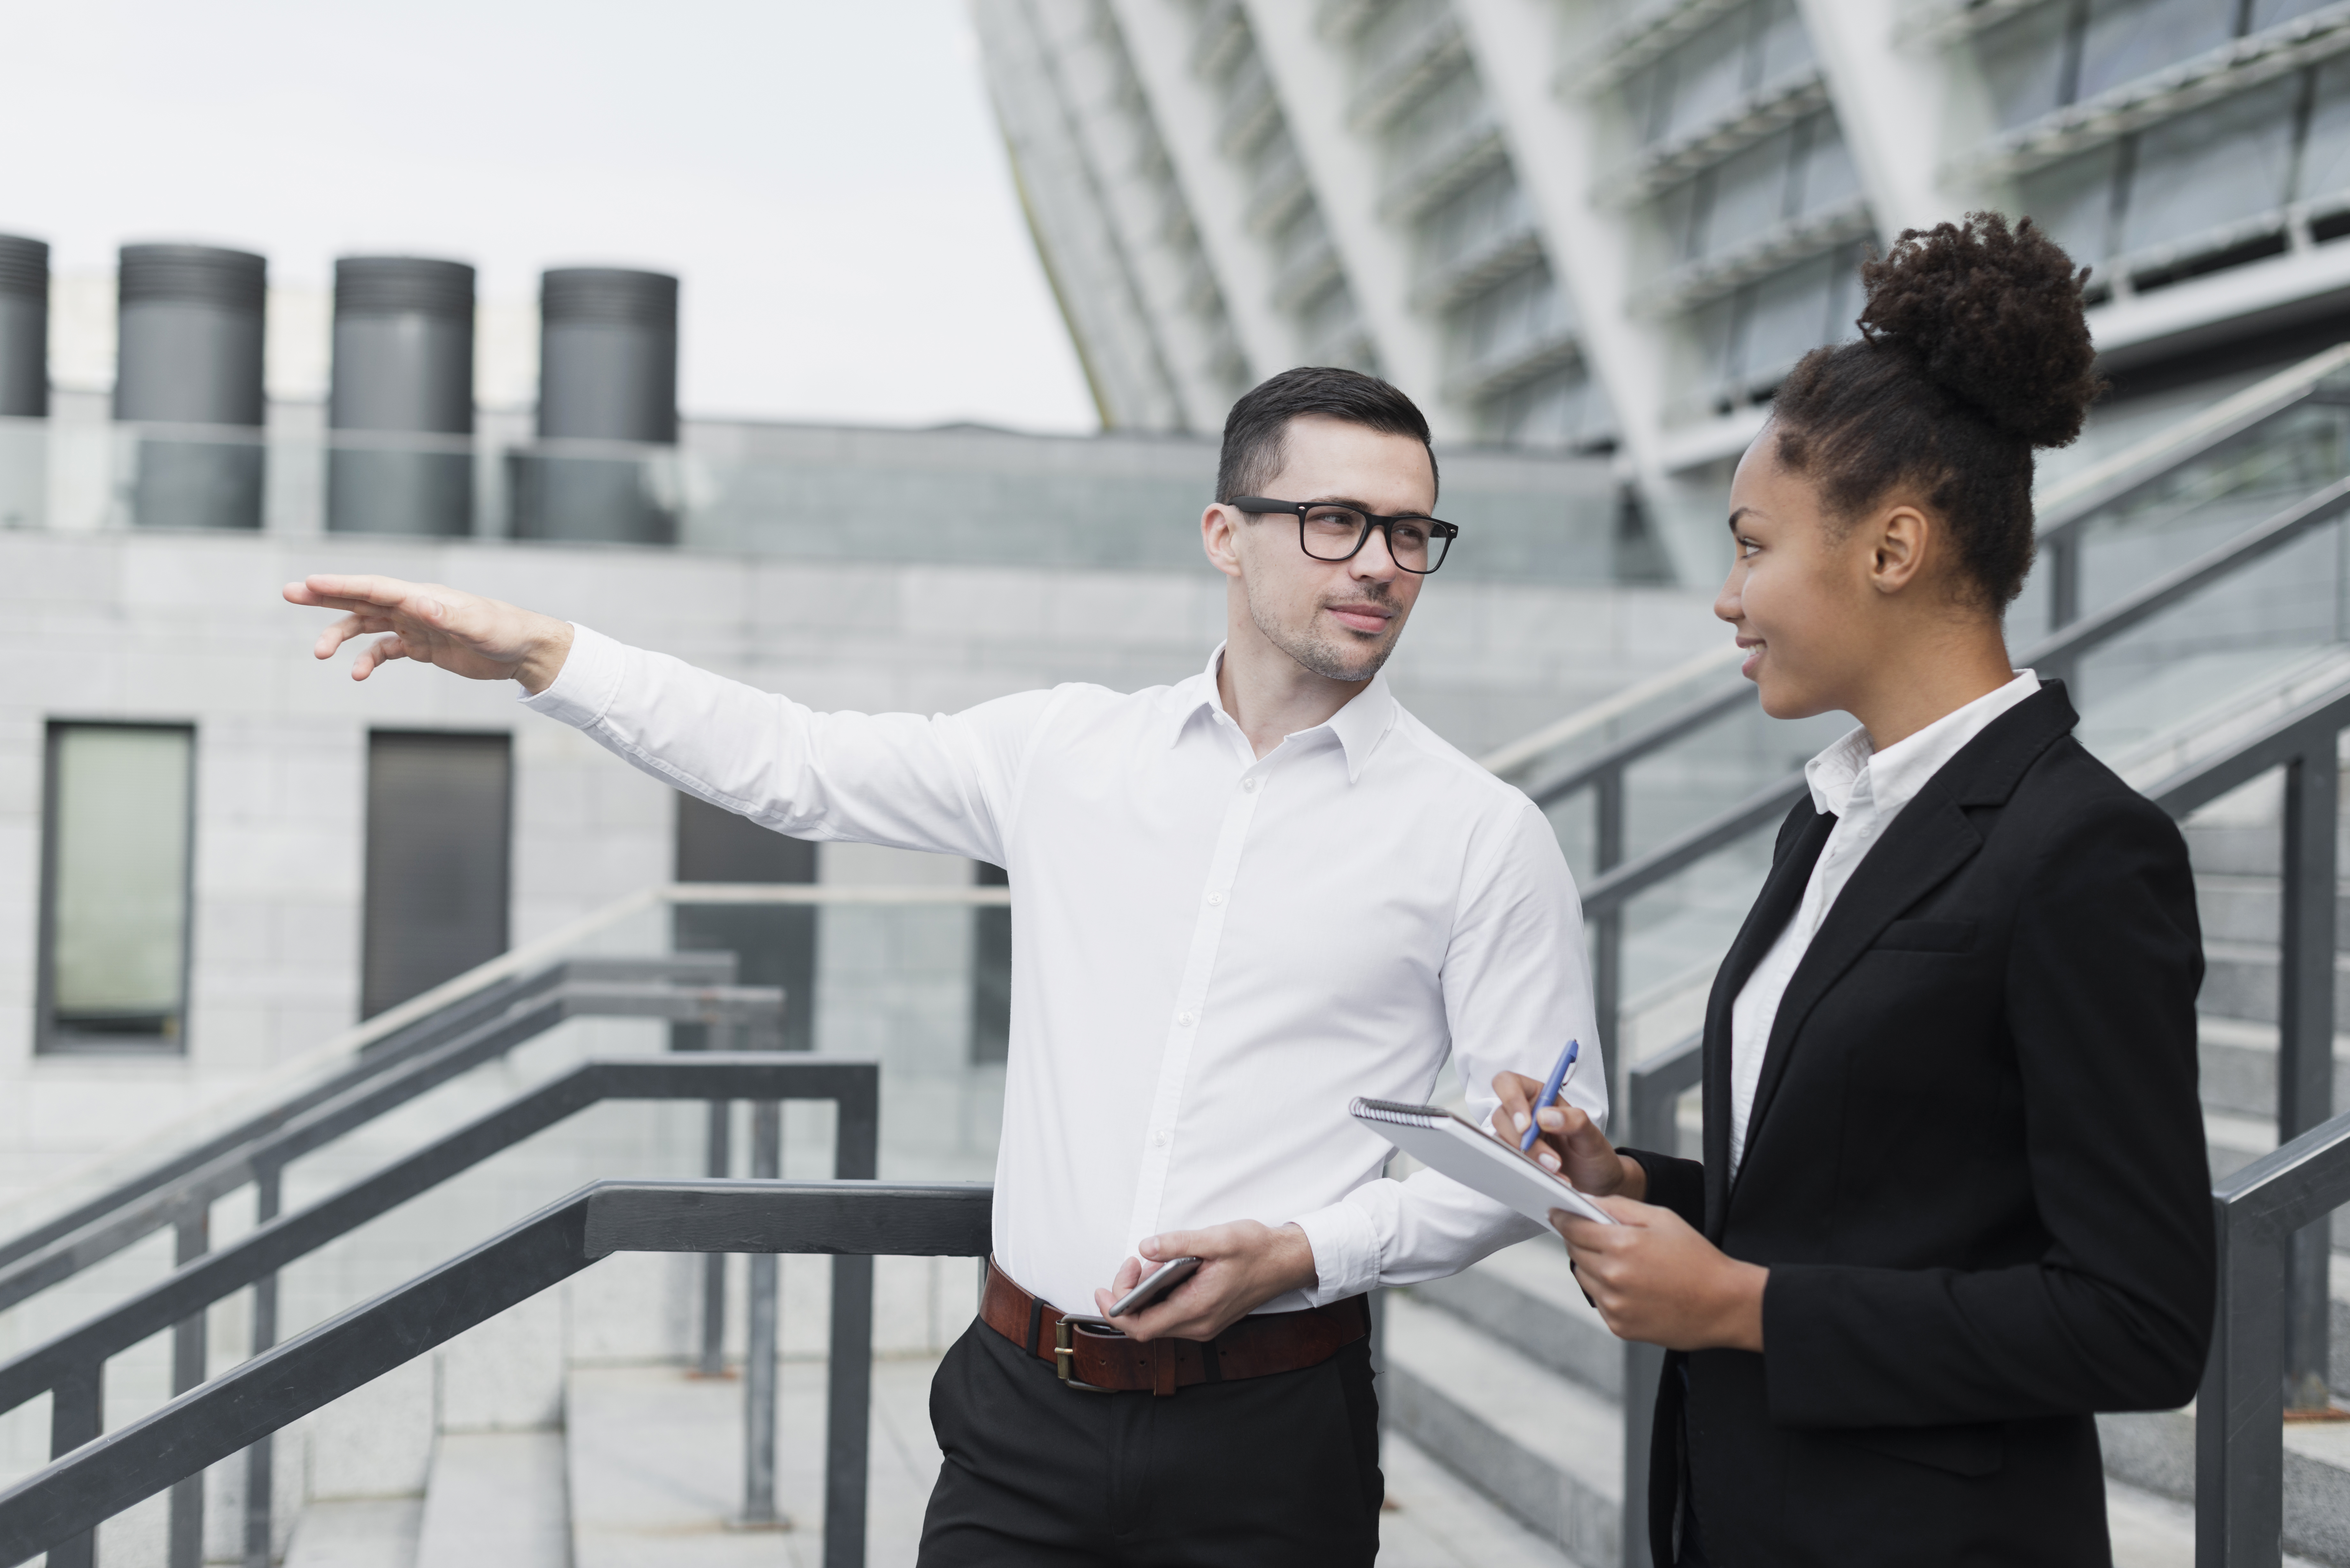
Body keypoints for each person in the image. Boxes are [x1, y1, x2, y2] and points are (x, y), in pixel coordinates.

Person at [287, 366, 1604, 1566]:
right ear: (1224, 533)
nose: (1378, 562)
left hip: (1272, 1438)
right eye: (1334, 521)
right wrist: (540, 654)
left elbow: (1527, 1165)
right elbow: (794, 762)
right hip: (1017, 1417)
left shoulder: (1481, 837)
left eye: (1410, 533)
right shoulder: (1067, 756)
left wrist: (1304, 1250)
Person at [1497, 215, 2213, 1567]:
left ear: (1892, 549)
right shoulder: (1833, 816)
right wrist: (1631, 1178)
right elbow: (1866, 1202)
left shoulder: (2081, 851)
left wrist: (1744, 1307)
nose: (1725, 598)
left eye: (1752, 546)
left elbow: (2136, 1320)